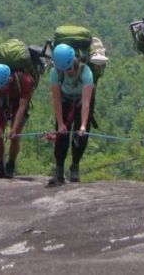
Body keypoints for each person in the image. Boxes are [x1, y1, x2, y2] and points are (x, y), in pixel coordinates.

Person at [47, 44, 94, 185]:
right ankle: (59, 168)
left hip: (81, 101)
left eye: (69, 69)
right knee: (61, 134)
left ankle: (75, 166)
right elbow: (56, 99)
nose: (67, 72)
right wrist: (61, 123)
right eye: (64, 70)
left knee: (80, 135)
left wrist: (84, 125)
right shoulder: (55, 72)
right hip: (65, 99)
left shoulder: (86, 72)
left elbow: (86, 103)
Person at [0, 63, 33, 179]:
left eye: (4, 85)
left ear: (9, 78)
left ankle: (11, 165)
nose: (1, 87)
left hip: (19, 102)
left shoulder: (25, 80)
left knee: (15, 136)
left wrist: (14, 128)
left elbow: (22, 106)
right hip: (3, 101)